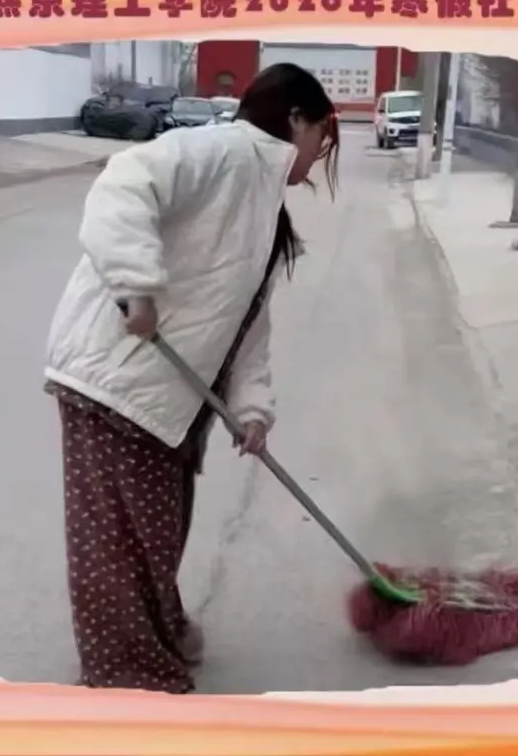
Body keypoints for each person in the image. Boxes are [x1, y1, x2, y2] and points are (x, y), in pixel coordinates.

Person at [42, 63, 340, 694]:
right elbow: (124, 184)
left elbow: (247, 324)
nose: (320, 153)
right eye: (321, 135)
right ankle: (128, 674)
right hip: (115, 378)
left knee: (156, 532)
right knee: (118, 541)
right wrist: (136, 285)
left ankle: (160, 631)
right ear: (295, 120)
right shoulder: (221, 151)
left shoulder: (265, 208)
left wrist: (252, 409)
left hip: (172, 399)